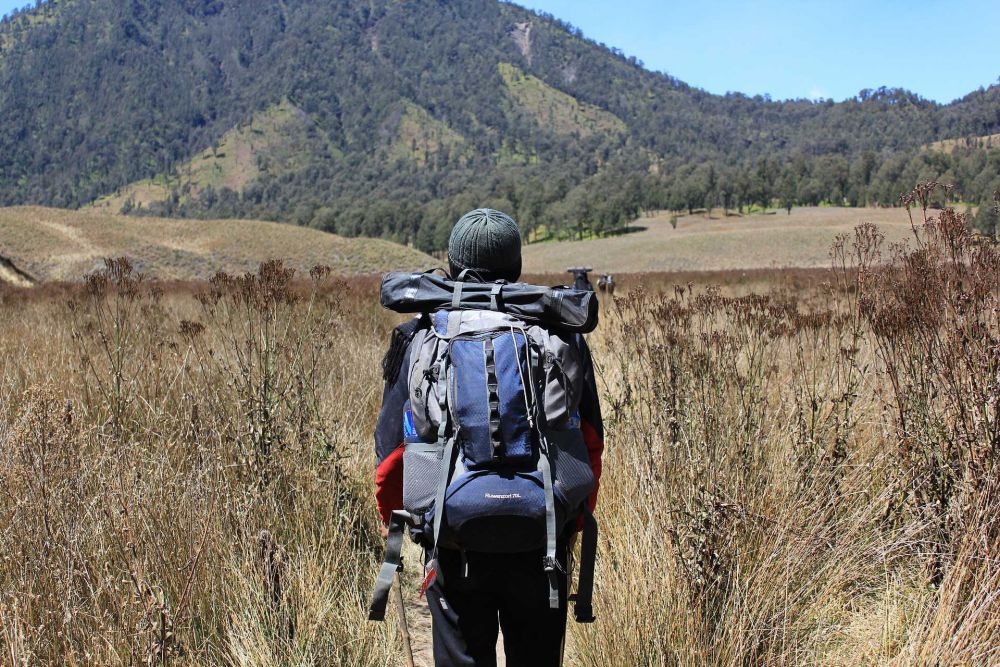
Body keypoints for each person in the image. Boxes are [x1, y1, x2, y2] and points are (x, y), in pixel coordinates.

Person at [373, 209, 605, 666]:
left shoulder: (419, 334)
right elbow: (589, 442)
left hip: (454, 541)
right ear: (516, 266)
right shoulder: (561, 336)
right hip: (544, 541)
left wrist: (406, 524)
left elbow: (392, 454)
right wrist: (571, 518)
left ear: (453, 265)